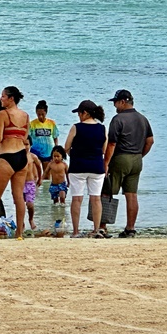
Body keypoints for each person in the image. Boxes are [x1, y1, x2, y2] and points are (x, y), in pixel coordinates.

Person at [103, 89, 154, 238]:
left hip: (120, 157)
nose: (115, 106)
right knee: (131, 194)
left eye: (116, 102)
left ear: (123, 102)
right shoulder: (143, 119)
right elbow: (150, 141)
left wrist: (106, 163)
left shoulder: (118, 119)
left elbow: (112, 143)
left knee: (107, 192)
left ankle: (102, 227)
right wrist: (140, 155)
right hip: (137, 159)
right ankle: (130, 228)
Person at [0, 86, 30, 239]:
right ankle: (19, 233)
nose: (1, 99)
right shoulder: (25, 115)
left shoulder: (3, 114)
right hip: (22, 157)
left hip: (8, 156)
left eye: (3, 96)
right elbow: (24, 138)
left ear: (11, 98)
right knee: (18, 197)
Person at [64, 100, 107, 238]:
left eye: (79, 113)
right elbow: (104, 149)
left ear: (85, 113)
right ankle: (96, 229)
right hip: (97, 167)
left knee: (77, 199)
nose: (78, 116)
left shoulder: (76, 128)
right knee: (96, 199)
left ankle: (76, 231)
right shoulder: (102, 128)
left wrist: (74, 154)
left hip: (78, 166)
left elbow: (66, 147)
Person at [29, 100, 59, 170]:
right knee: (35, 173)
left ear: (46, 113)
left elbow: (55, 137)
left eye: (42, 114)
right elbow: (28, 138)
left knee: (47, 173)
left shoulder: (52, 123)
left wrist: (56, 149)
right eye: (39, 114)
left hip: (48, 152)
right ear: (36, 113)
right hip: (35, 151)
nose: (41, 116)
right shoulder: (32, 124)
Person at [24, 139, 43, 230]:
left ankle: (31, 219)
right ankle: (21, 222)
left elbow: (39, 167)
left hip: (30, 183)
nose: (25, 147)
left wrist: (40, 178)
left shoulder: (32, 157)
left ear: (30, 145)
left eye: (27, 144)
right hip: (19, 184)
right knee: (19, 204)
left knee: (30, 204)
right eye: (22, 144)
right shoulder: (17, 157)